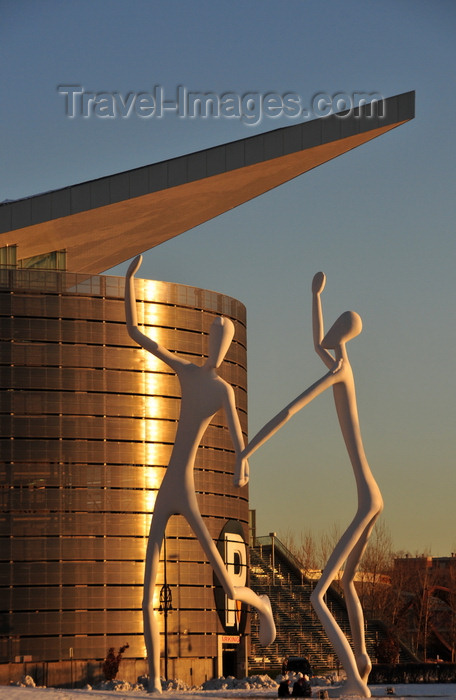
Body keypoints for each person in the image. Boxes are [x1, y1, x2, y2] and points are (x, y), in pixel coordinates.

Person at [125, 255, 275, 693]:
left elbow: (237, 437)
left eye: (223, 343)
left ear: (227, 351)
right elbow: (138, 334)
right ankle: (154, 680)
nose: (216, 348)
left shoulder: (222, 389)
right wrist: (131, 281)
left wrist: (241, 464)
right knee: (146, 587)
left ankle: (260, 603)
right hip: (166, 486)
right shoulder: (187, 372)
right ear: (206, 341)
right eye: (213, 339)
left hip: (185, 489)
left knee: (228, 583)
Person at [236, 272, 383, 698]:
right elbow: (315, 342)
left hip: (365, 500)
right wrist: (315, 297)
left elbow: (290, 411)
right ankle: (364, 661)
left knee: (319, 595)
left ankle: (355, 682)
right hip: (373, 495)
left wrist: (248, 450)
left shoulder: (338, 370)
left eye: (338, 324)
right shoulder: (344, 363)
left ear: (345, 333)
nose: (330, 331)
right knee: (348, 583)